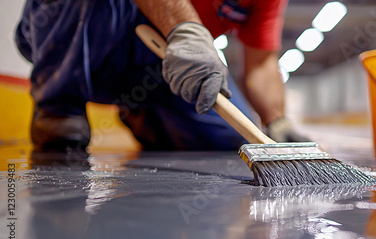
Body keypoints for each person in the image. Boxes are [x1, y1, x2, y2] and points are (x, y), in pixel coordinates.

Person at [15, 0, 309, 152]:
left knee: (230, 138)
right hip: (90, 37)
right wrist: (185, 29)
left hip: (162, 66)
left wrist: (275, 120)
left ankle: (144, 112)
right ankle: (59, 111)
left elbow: (260, 64)